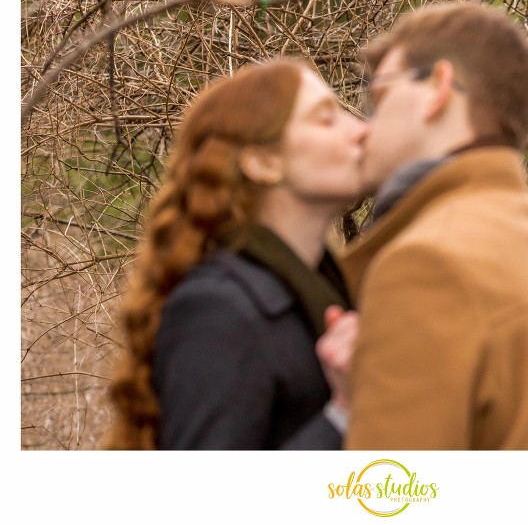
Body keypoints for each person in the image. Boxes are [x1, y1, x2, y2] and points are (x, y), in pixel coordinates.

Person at [317, 0, 528, 450]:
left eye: (379, 96)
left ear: (437, 89)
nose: (364, 127)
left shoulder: (429, 263)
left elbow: (386, 496)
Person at [104, 59, 367, 450]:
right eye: (326, 119)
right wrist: (342, 413)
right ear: (263, 162)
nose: (361, 130)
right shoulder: (218, 310)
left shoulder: (325, 289)